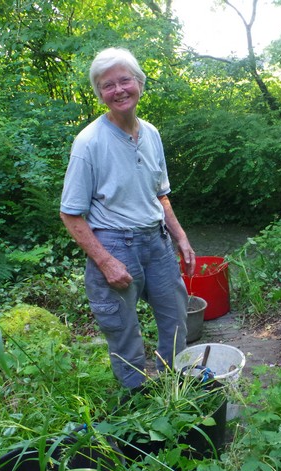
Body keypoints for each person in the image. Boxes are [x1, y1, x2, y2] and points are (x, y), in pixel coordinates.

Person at [60, 47, 196, 389]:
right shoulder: (89, 142)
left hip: (157, 243)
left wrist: (180, 236)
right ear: (100, 94)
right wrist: (106, 262)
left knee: (176, 322)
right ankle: (135, 405)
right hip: (115, 244)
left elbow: (159, 194)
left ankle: (174, 393)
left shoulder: (151, 133)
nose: (119, 90)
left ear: (140, 83)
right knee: (123, 332)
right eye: (108, 85)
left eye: (125, 80)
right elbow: (70, 214)